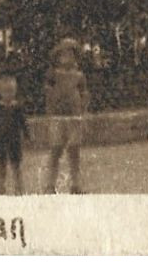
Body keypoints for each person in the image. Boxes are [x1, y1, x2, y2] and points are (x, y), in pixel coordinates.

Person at [44, 37, 90, 193]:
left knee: (74, 151)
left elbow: (84, 94)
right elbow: (48, 93)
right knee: (55, 150)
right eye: (64, 54)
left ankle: (76, 184)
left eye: (71, 54)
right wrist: (49, 112)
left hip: (74, 117)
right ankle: (50, 185)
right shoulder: (54, 74)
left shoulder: (79, 75)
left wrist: (82, 111)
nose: (67, 58)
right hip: (57, 116)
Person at [0, 73, 29, 195]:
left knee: (16, 165)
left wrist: (27, 135)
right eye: (6, 91)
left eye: (11, 91)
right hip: (0, 140)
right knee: (1, 164)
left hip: (14, 139)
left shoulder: (17, 107)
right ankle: (0, 186)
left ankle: (19, 187)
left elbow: (23, 122)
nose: (9, 94)